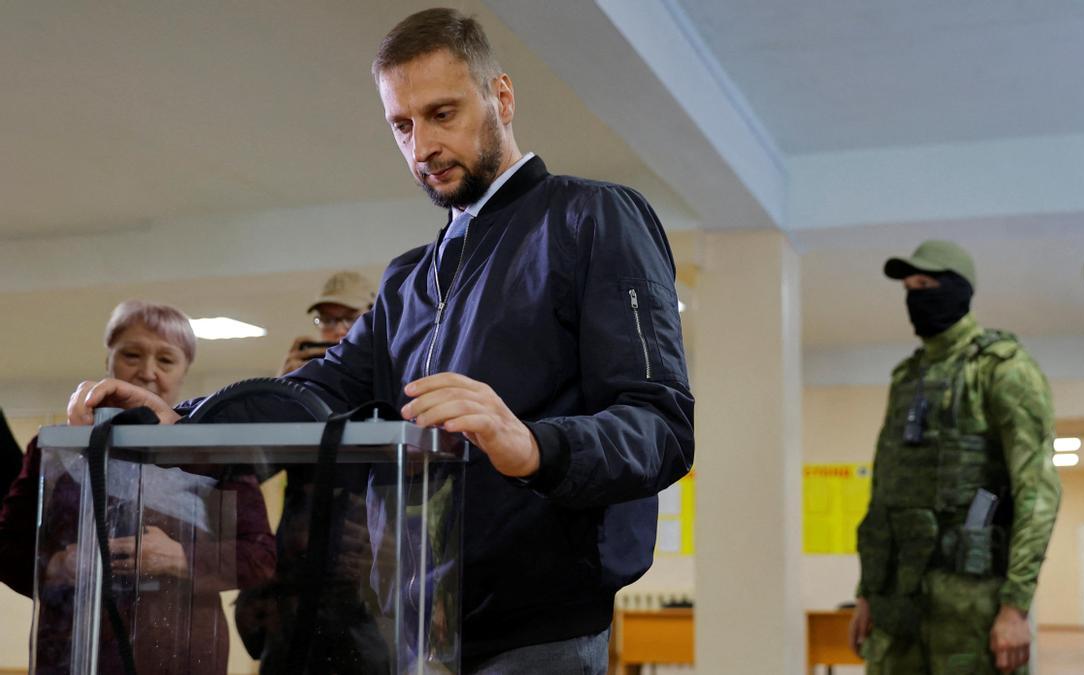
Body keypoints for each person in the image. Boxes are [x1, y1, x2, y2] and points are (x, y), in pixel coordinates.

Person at [68, 8, 694, 673]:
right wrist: (178, 421)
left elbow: (661, 424)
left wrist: (533, 445)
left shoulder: (591, 218)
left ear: (501, 97)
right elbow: (313, 394)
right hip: (416, 633)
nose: (421, 147)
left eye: (442, 113)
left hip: (540, 637)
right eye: (403, 125)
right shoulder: (407, 283)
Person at [1, 301, 276, 674]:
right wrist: (57, 566)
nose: (147, 372)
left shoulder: (212, 454)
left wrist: (178, 557)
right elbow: (8, 547)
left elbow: (260, 558)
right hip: (73, 650)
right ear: (108, 362)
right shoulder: (55, 449)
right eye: (131, 354)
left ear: (184, 371)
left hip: (179, 653)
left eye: (166, 360)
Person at [848, 240, 1061, 674]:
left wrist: (1016, 607)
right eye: (908, 287)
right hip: (897, 607)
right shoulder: (906, 379)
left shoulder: (1003, 370)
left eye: (925, 283)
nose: (915, 296)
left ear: (959, 289)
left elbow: (1037, 491)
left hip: (971, 604)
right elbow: (883, 493)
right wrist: (868, 591)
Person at [279, 270, 377, 375]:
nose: (340, 331)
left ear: (373, 319)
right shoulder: (309, 372)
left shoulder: (388, 367)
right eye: (327, 320)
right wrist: (284, 385)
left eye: (352, 319)